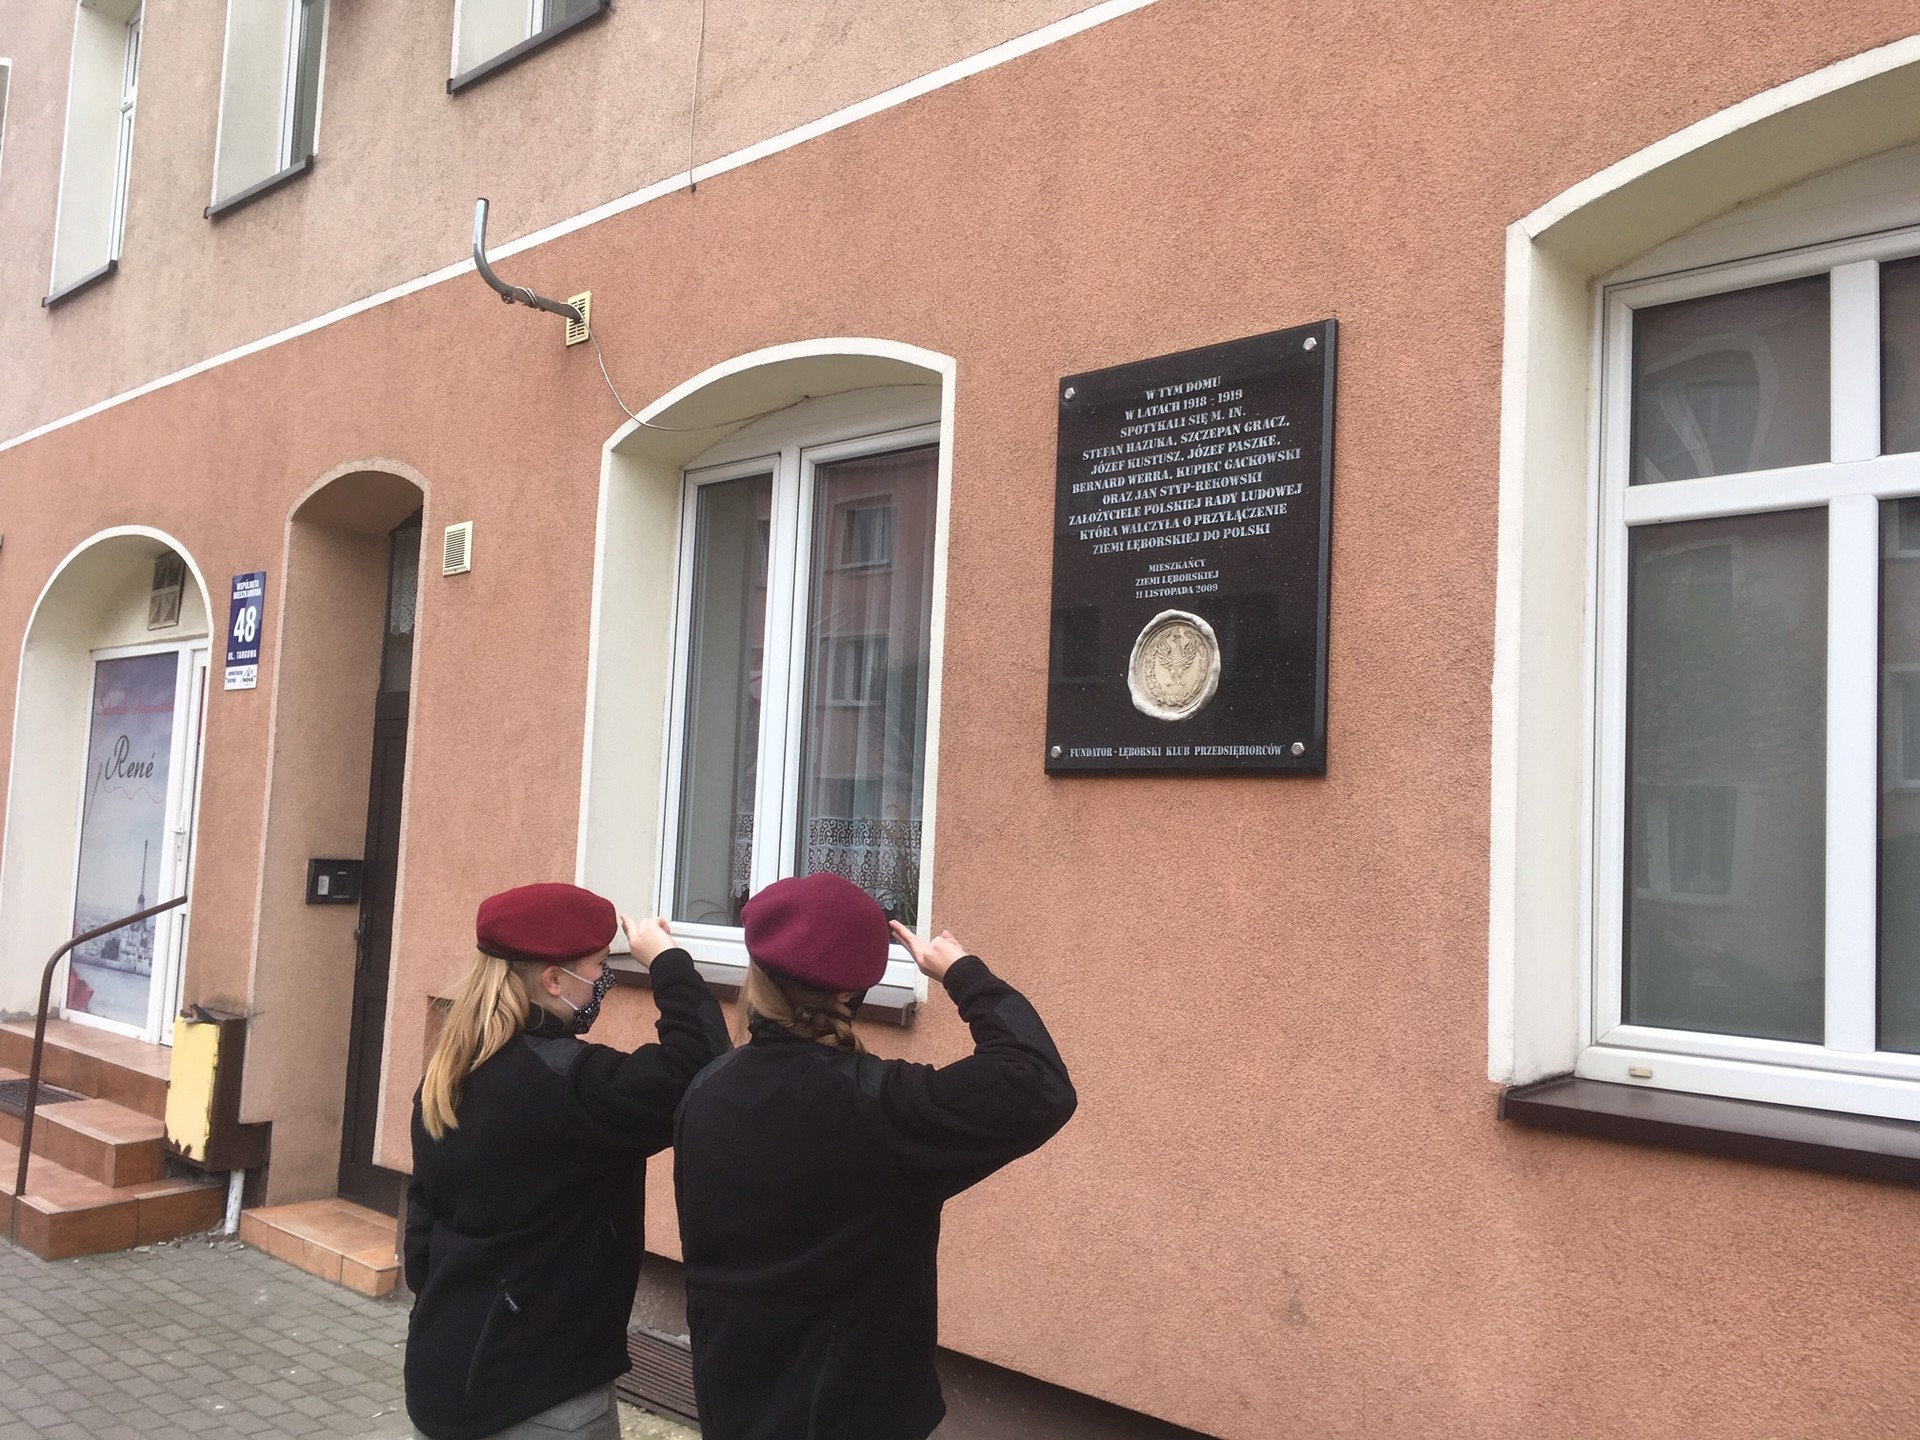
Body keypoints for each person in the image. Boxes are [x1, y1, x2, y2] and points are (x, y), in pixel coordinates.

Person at [673, 872, 1078, 1440]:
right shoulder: (880, 1106)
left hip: (734, 1405)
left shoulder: (705, 1090)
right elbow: (1036, 1083)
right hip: (853, 1416)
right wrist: (963, 973)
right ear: (847, 995)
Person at [404, 882, 728, 1440]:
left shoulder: (448, 1073)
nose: (604, 980)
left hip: (445, 1373)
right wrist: (668, 963)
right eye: (599, 966)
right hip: (543, 1394)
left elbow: (421, 1234)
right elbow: (701, 1067)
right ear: (554, 980)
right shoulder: (568, 1084)